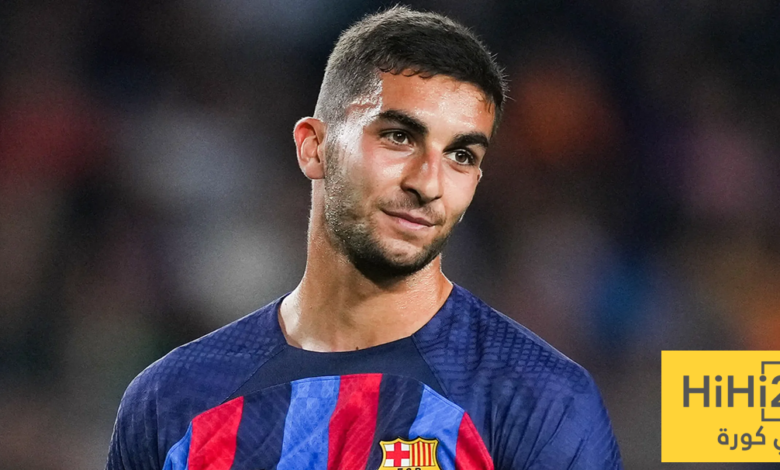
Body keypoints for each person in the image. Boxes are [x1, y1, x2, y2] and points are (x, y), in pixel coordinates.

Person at [106, 6, 622, 470]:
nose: (428, 183)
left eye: (461, 155)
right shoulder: (170, 401)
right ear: (314, 147)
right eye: (399, 136)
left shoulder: (541, 401)